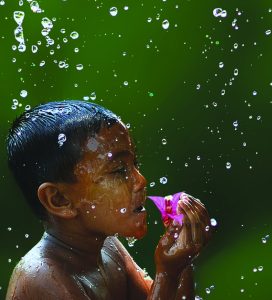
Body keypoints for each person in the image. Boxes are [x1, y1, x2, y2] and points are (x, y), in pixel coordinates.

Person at [5, 100, 211, 300]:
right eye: (119, 170)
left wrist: (182, 262)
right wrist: (168, 273)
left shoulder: (108, 248)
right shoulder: (42, 278)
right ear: (60, 199)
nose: (141, 180)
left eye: (135, 164)